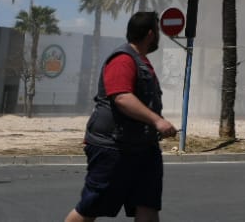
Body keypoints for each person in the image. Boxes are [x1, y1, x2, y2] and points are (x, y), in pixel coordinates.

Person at [67, 12, 177, 222]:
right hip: (114, 148)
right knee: (91, 207)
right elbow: (122, 97)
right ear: (151, 34)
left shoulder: (141, 61)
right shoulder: (123, 59)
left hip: (143, 148)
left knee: (148, 205)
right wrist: (157, 121)